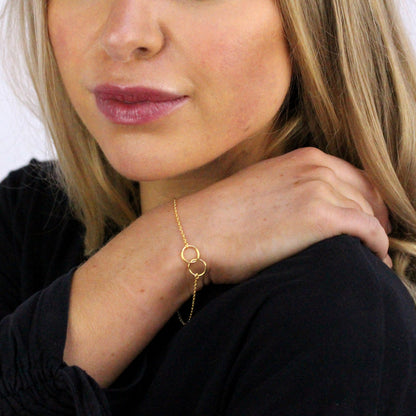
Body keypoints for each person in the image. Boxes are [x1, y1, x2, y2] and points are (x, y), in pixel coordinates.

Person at [0, 0, 416, 414]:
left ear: (317, 15)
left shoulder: (333, 313)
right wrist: (180, 239)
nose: (122, 36)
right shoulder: (31, 217)